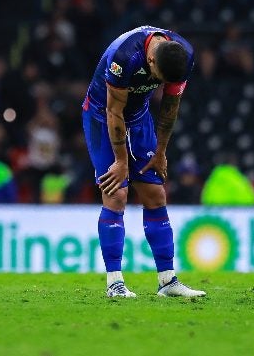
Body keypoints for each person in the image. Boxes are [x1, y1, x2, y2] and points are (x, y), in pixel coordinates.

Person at [82, 25, 205, 298]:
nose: (159, 84)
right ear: (150, 60)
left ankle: (168, 282)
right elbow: (114, 111)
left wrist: (161, 151)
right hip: (103, 117)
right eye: (157, 78)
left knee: (155, 194)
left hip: (139, 119)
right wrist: (121, 161)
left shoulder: (182, 55)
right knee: (116, 194)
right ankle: (115, 283)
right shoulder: (123, 56)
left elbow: (171, 106)